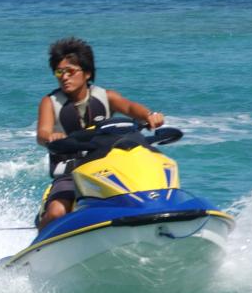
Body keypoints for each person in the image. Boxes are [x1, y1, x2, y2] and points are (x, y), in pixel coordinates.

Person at [35, 37, 165, 228]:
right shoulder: (50, 102)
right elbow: (42, 133)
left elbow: (130, 108)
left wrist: (149, 115)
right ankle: (41, 241)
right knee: (57, 212)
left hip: (105, 167)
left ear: (87, 73)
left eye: (70, 71)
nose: (64, 77)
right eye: (59, 72)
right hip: (70, 172)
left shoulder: (106, 97)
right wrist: (51, 136)